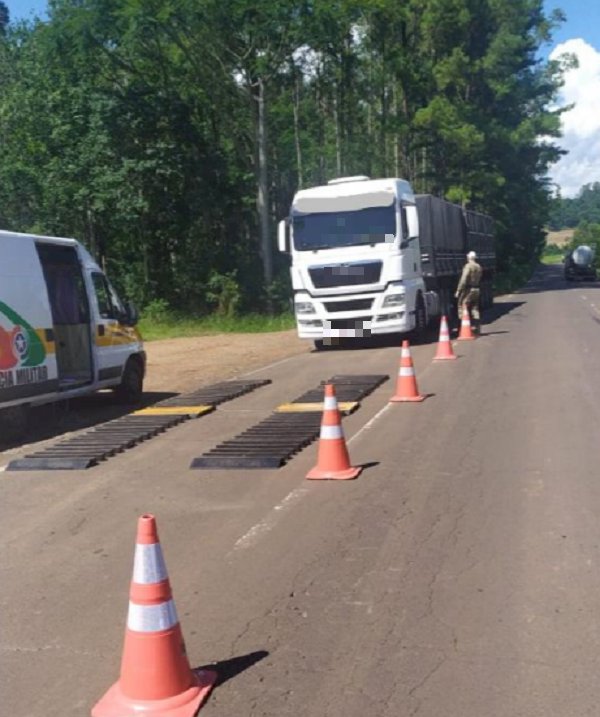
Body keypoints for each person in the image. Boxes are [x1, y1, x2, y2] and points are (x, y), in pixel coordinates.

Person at [455, 250, 483, 333]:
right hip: (477, 289)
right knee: (475, 308)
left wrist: (458, 290)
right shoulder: (478, 266)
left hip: (469, 289)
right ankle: (477, 327)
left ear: (469, 257)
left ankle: (462, 327)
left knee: (462, 305)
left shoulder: (468, 266)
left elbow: (464, 279)